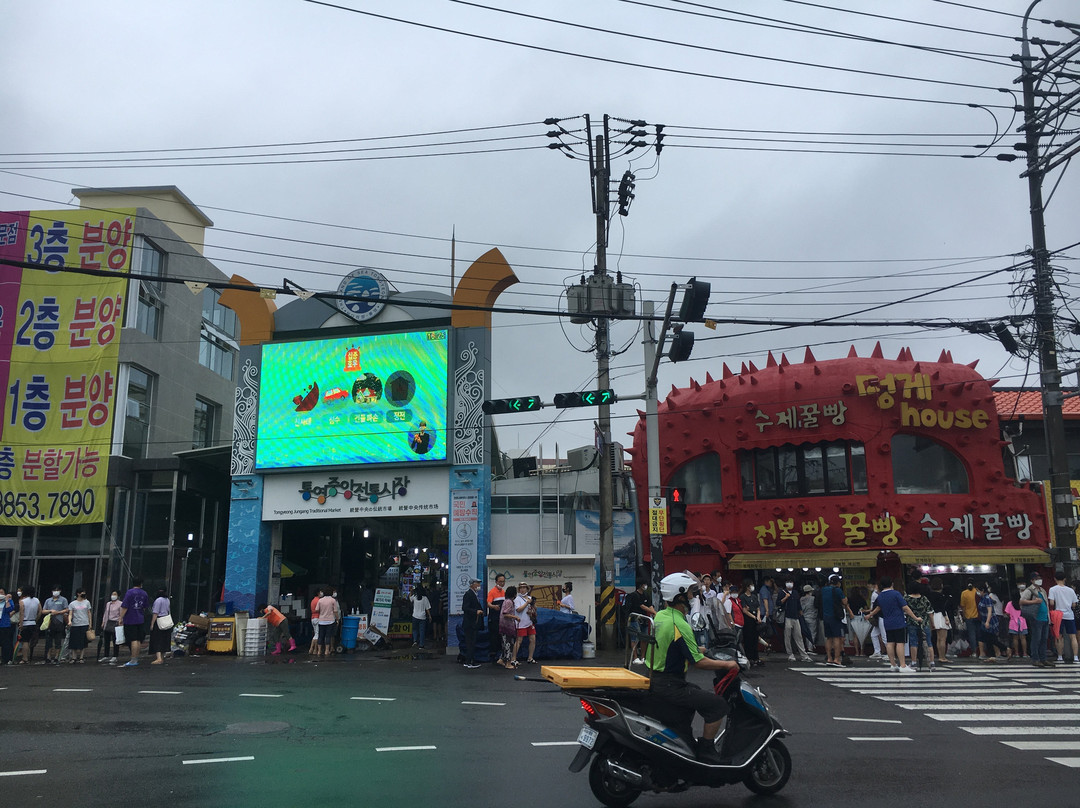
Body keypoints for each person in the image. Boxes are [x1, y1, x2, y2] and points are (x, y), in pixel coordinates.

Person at [645, 572, 739, 765]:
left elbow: (671, 645)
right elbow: (699, 662)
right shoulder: (679, 622)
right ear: (679, 596)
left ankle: (685, 745)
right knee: (718, 705)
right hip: (671, 684)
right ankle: (706, 751)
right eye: (690, 593)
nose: (692, 597)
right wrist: (728, 664)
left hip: (657, 678)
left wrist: (696, 649)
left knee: (695, 694)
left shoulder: (662, 616)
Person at [865, 576, 920, 673]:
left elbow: (878, 608)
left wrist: (870, 614)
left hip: (887, 622)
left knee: (890, 643)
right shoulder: (896, 594)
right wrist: (915, 618)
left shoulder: (880, 596)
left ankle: (893, 664)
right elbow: (905, 607)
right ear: (892, 584)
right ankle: (902, 665)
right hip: (898, 621)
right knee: (900, 643)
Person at [1020, 572, 1052, 667]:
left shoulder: (1042, 590)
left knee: (1044, 639)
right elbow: (1021, 601)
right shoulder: (1029, 590)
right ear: (1032, 580)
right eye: (1036, 578)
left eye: (1039, 578)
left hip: (1045, 618)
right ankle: (1035, 658)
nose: (1039, 580)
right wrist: (1035, 601)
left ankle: (1043, 658)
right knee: (1036, 639)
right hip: (1036, 618)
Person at [778, 578, 812, 663]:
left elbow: (798, 604)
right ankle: (790, 654)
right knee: (787, 636)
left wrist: (800, 613)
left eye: (791, 582)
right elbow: (778, 603)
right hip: (787, 617)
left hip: (796, 617)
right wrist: (785, 598)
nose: (790, 584)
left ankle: (804, 655)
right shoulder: (782, 592)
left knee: (799, 636)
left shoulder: (796, 593)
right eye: (788, 582)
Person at [820, 575, 851, 667]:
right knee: (837, 637)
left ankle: (829, 658)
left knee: (829, 638)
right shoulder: (837, 590)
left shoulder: (824, 590)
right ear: (838, 583)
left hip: (826, 616)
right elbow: (844, 602)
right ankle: (837, 659)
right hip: (835, 617)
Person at [1048, 572, 1079, 663]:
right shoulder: (1070, 590)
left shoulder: (1053, 589)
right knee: (1073, 636)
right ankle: (1076, 657)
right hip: (1069, 615)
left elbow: (1052, 603)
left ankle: (1060, 657)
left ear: (1055, 579)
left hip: (1058, 615)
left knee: (1059, 636)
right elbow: (1074, 604)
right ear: (1065, 579)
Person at [119, 577, 149, 667]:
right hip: (140, 618)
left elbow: (125, 606)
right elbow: (145, 607)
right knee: (138, 639)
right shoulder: (144, 593)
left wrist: (121, 618)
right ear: (141, 584)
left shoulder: (129, 592)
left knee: (133, 639)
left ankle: (133, 659)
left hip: (130, 619)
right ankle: (136, 658)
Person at [905, 583, 936, 671]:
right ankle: (932, 662)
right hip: (924, 623)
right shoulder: (924, 599)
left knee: (913, 642)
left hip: (911, 622)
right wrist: (932, 624)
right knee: (929, 642)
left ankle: (914, 662)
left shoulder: (907, 599)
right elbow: (930, 613)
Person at [625, 580, 656, 664]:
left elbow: (650, 605)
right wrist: (653, 612)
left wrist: (654, 613)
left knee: (644, 638)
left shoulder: (646, 595)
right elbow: (642, 606)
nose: (645, 586)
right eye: (644, 584)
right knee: (634, 638)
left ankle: (643, 657)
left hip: (644, 619)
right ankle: (635, 657)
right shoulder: (634, 595)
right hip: (635, 619)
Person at [459, 578, 485, 668]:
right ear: (472, 584)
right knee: (470, 643)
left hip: (473, 623)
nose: (479, 585)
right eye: (477, 583)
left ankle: (470, 660)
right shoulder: (468, 594)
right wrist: (475, 611)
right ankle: (469, 661)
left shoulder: (475, 594)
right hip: (470, 623)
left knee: (472, 642)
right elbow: (465, 608)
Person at [926, 577, 952, 665]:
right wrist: (946, 618)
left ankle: (939, 655)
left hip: (934, 616)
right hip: (941, 616)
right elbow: (942, 608)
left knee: (938, 638)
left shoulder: (930, 595)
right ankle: (942, 656)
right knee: (943, 639)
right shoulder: (941, 596)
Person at [42, 585, 70, 665]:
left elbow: (67, 609)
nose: (56, 591)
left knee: (58, 640)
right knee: (49, 641)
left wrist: (58, 612)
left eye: (57, 590)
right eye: (54, 590)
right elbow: (43, 611)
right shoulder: (48, 600)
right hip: (50, 622)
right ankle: (48, 656)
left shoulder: (63, 600)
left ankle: (57, 656)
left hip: (59, 622)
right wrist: (50, 611)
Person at [738, 580, 763, 666]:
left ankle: (756, 657)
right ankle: (749, 658)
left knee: (755, 639)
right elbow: (744, 610)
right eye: (751, 585)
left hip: (755, 620)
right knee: (748, 639)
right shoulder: (742, 597)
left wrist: (758, 617)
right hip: (748, 620)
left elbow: (758, 608)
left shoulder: (754, 596)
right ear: (747, 587)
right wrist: (754, 617)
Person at [513, 581, 537, 664]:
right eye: (521, 588)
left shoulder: (530, 598)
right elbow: (518, 609)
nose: (522, 589)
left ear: (527, 589)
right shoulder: (517, 599)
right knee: (519, 641)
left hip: (530, 622)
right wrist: (527, 603)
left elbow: (535, 609)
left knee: (533, 640)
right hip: (521, 622)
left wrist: (533, 605)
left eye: (524, 588)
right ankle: (513, 659)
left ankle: (530, 657)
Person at [67, 589, 92, 664]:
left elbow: (89, 613)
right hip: (75, 624)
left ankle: (81, 657)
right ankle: (74, 657)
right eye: (82, 593)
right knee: (74, 641)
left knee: (83, 641)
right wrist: (69, 621)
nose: (83, 594)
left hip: (84, 623)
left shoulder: (87, 602)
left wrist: (90, 623)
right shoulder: (72, 604)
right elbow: (70, 613)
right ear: (78, 594)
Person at [497, 585, 519, 668]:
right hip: (507, 626)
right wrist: (515, 617)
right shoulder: (509, 602)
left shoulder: (506, 601)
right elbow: (506, 614)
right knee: (509, 645)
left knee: (505, 644)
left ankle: (502, 659)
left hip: (504, 626)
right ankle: (508, 663)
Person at [18, 586, 40, 664]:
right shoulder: (37, 600)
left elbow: (22, 613)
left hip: (25, 622)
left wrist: (20, 624)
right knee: (31, 640)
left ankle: (25, 658)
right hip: (33, 622)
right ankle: (30, 656)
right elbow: (39, 611)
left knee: (25, 641)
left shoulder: (22, 601)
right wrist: (36, 619)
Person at [487, 574, 506, 664]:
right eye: (500, 581)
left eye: (503, 581)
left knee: (501, 638)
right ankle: (493, 656)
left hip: (502, 619)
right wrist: (494, 606)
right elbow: (488, 604)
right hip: (494, 619)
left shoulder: (504, 592)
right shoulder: (492, 592)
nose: (502, 583)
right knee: (493, 637)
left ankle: (501, 656)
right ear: (496, 582)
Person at [149, 589, 172, 665]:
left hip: (159, 621)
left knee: (157, 640)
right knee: (164, 639)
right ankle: (162, 657)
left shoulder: (158, 600)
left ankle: (158, 658)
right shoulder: (167, 600)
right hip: (166, 620)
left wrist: (152, 623)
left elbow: (155, 613)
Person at [99, 591, 122, 663]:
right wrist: (103, 622)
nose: (113, 596)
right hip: (108, 622)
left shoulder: (120, 604)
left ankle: (115, 656)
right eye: (112, 594)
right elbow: (106, 613)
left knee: (115, 640)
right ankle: (106, 655)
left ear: (118, 596)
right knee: (107, 640)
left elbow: (121, 614)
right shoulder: (108, 604)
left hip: (115, 623)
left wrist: (121, 623)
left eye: (115, 594)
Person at [315, 588, 338, 658]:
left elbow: (316, 609)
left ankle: (319, 651)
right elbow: (335, 611)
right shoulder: (333, 600)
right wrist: (337, 619)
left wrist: (322, 612)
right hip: (330, 621)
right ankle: (326, 650)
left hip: (321, 621)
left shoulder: (320, 600)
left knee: (320, 636)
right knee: (328, 636)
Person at [959, 581, 980, 659]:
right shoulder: (977, 592)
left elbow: (963, 606)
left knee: (972, 634)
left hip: (968, 616)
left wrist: (964, 616)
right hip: (978, 616)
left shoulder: (964, 593)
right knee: (979, 634)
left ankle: (974, 652)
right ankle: (981, 651)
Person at [1005, 591, 1028, 659]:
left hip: (1013, 622)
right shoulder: (1022, 603)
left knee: (1015, 638)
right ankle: (1025, 653)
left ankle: (1016, 653)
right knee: (1023, 638)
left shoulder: (1010, 603)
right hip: (1022, 621)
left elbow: (1007, 613)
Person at [847, 585, 868, 657]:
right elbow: (865, 609)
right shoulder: (862, 599)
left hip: (853, 617)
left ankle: (856, 652)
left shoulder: (849, 599)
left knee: (855, 636)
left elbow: (847, 607)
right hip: (861, 617)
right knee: (862, 635)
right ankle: (862, 652)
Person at [410, 585, 432, 649]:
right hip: (422, 617)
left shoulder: (414, 597)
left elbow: (410, 599)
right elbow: (427, 608)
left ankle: (415, 641)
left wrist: (411, 592)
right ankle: (421, 645)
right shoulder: (425, 598)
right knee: (422, 631)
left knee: (415, 629)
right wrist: (430, 616)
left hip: (415, 616)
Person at [799, 584, 819, 653]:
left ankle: (806, 647)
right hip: (812, 617)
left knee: (805, 633)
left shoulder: (801, 599)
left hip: (804, 617)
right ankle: (810, 648)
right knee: (812, 633)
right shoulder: (813, 598)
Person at [0, 587, 17, 665]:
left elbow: (9, 609)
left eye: (2, 593)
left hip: (4, 624)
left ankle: (5, 658)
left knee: (5, 642)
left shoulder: (9, 601)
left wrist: (6, 600)